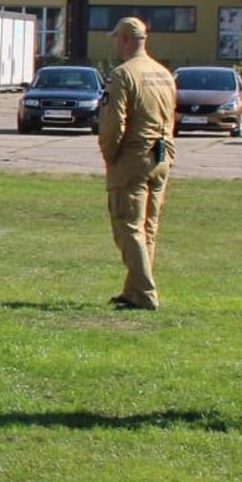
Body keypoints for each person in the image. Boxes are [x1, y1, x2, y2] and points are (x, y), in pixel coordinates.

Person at [97, 16, 177, 311]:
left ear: (126, 39)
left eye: (117, 38)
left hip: (133, 155)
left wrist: (110, 155)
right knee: (148, 226)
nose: (116, 45)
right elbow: (171, 118)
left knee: (128, 225)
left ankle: (144, 292)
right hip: (161, 153)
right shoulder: (164, 73)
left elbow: (113, 124)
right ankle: (134, 288)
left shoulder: (122, 75)